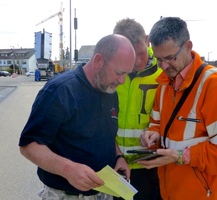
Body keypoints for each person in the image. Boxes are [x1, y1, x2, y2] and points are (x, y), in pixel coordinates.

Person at [139, 17, 217, 200]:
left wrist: (181, 156)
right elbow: (157, 124)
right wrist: (153, 134)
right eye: (158, 59)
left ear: (188, 46)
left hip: (208, 194)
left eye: (170, 58)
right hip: (171, 192)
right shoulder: (164, 85)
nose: (164, 66)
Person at [18, 34, 136, 200]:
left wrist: (119, 157)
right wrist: (68, 169)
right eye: (119, 72)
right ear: (98, 61)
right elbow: (28, 146)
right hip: (66, 195)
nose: (123, 81)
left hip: (105, 192)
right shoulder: (59, 91)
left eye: (127, 74)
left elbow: (108, 134)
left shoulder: (110, 91)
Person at [113, 18, 162, 200]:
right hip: (115, 166)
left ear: (147, 40)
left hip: (150, 167)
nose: (138, 61)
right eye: (130, 55)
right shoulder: (110, 74)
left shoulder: (163, 74)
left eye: (141, 53)